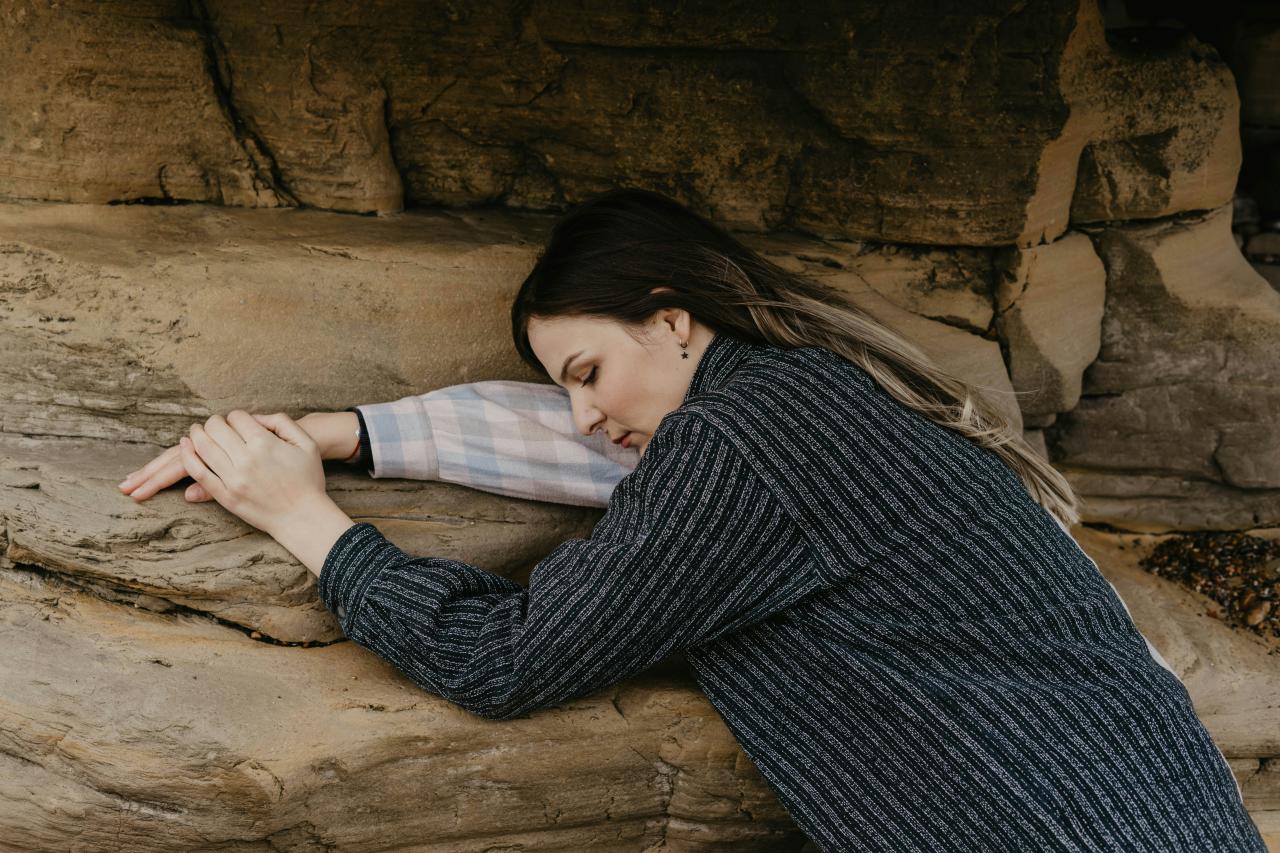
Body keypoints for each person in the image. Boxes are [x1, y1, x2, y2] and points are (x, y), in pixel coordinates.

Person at [117, 188, 1267, 851]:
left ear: (671, 321)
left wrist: (306, 519)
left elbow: (505, 660)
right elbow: (546, 438)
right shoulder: (807, 389)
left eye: (585, 371)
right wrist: (340, 430)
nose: (581, 415)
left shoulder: (743, 441)